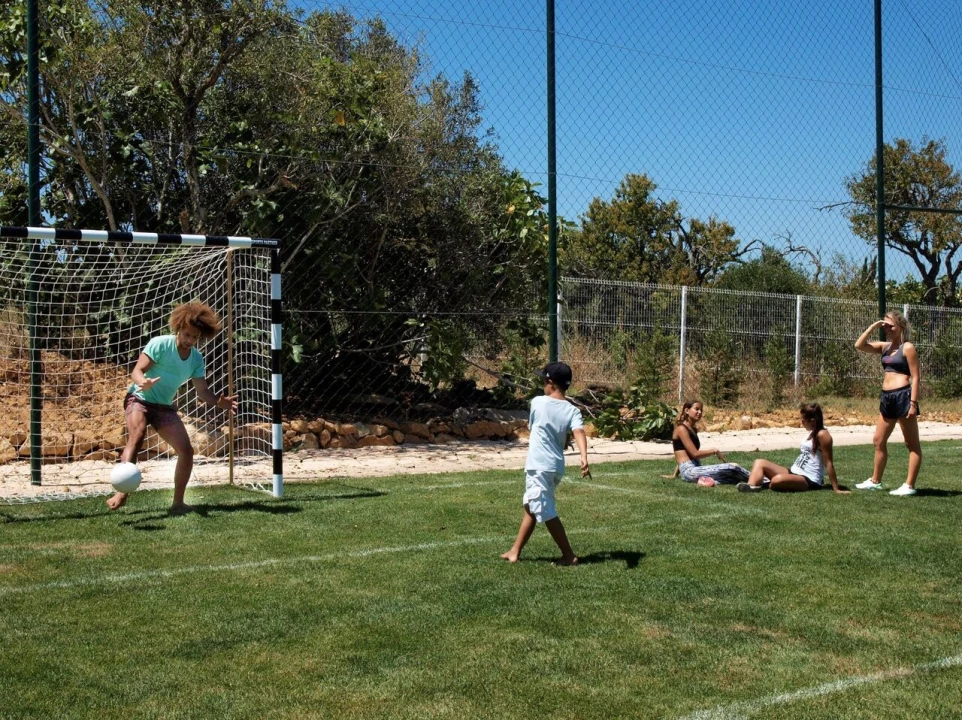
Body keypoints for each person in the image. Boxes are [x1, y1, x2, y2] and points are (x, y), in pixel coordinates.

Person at [106, 302, 238, 514]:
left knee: (186, 450)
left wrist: (218, 401)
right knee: (137, 435)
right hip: (139, 399)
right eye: (187, 335)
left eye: (195, 337)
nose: (190, 340)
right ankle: (122, 492)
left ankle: (178, 503)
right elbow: (137, 371)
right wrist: (143, 383)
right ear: (178, 328)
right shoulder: (160, 344)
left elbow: (202, 392)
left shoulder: (196, 358)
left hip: (164, 407)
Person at [501, 361, 589, 566]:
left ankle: (569, 555)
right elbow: (578, 432)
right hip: (555, 466)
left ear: (550, 383)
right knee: (531, 505)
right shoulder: (572, 410)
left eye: (543, 379)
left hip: (539, 465)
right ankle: (515, 550)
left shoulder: (538, 402)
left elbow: (534, 427)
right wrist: (584, 457)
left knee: (545, 510)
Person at [853, 311, 921, 496]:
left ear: (901, 327)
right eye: (885, 326)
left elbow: (915, 377)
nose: (887, 329)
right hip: (887, 397)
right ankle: (875, 481)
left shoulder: (908, 347)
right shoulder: (884, 347)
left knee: (911, 444)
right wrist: (873, 327)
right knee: (878, 440)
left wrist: (913, 403)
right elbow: (859, 345)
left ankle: (909, 485)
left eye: (891, 326)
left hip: (903, 396)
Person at [737, 403, 849, 493]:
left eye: (803, 420)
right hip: (794, 471)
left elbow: (828, 462)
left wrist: (836, 488)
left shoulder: (823, 435)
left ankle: (767, 483)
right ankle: (751, 487)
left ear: (813, 421)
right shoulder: (811, 433)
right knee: (760, 462)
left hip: (808, 479)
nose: (801, 423)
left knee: (777, 480)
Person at [672, 400, 750, 485]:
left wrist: (675, 474)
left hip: (695, 469)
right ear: (687, 411)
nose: (700, 412)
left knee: (733, 478)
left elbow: (683, 452)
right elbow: (694, 454)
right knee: (733, 467)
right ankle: (763, 480)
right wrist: (714, 451)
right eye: (696, 409)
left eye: (701, 410)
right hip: (690, 471)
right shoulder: (681, 429)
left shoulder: (692, 429)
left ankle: (706, 482)